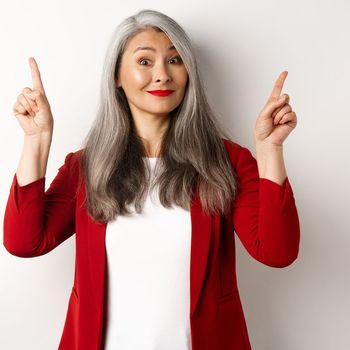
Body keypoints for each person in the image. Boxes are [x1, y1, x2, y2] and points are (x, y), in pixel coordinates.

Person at [4, 9, 300, 350]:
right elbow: (24, 242)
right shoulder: (86, 167)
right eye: (145, 61)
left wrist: (269, 150)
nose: (162, 74)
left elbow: (277, 252)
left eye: (175, 60)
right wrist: (37, 139)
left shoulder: (227, 161)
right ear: (116, 75)